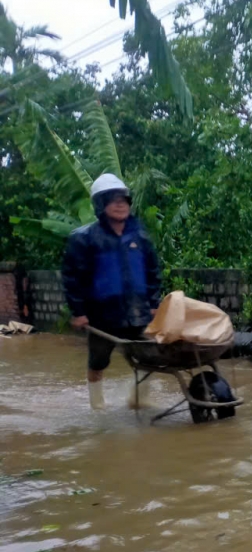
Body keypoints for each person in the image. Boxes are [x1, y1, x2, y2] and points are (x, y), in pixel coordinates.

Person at [62, 174, 162, 410]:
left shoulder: (141, 237)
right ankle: (97, 406)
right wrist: (78, 312)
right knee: (98, 361)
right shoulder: (84, 239)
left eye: (124, 199)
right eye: (113, 199)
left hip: (137, 312)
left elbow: (153, 271)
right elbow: (72, 278)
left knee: (151, 357)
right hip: (101, 316)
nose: (120, 204)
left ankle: (137, 399)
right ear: (100, 204)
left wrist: (154, 302)